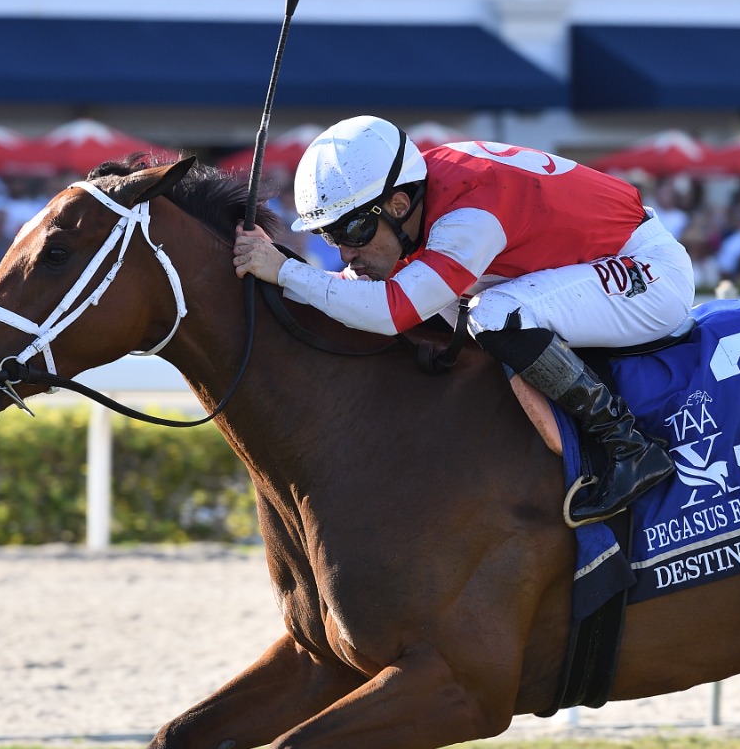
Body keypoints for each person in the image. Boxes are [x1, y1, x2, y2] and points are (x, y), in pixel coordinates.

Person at [232, 116, 696, 525]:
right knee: (448, 297)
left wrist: (285, 270)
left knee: (493, 313)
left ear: (397, 204)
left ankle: (628, 447)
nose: (345, 252)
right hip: (590, 262)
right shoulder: (419, 187)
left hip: (649, 275)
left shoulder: (469, 217)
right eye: (328, 235)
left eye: (353, 231)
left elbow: (391, 311)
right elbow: (364, 290)